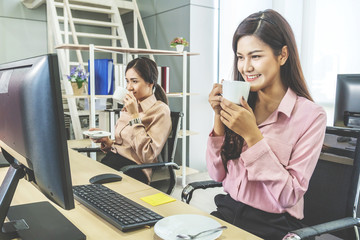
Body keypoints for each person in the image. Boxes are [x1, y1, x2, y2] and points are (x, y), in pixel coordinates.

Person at [206, 9, 327, 239]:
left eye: (256, 56)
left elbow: (289, 195)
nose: (246, 67)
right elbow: (216, 175)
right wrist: (219, 117)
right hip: (228, 211)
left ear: (282, 55)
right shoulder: (240, 103)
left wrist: (253, 137)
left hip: (273, 225)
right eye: (240, 57)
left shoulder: (311, 116)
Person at [90, 57, 171, 184]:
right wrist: (108, 142)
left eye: (134, 81)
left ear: (150, 83)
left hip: (134, 170)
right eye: (127, 81)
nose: (129, 87)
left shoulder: (160, 111)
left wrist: (134, 116)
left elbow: (148, 156)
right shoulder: (130, 105)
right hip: (114, 161)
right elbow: (126, 147)